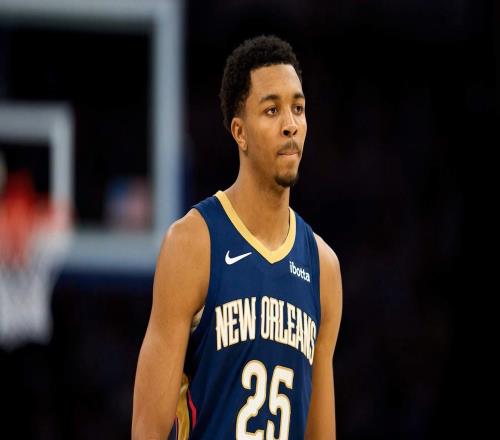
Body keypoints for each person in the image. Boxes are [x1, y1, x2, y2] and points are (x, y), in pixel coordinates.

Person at [132, 35, 343, 439]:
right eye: (272, 110)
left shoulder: (324, 267)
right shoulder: (192, 244)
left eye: (298, 108)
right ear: (239, 132)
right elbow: (147, 429)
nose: (290, 124)